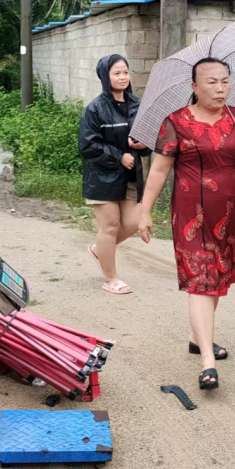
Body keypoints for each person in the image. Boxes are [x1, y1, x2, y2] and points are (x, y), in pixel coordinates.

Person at [138, 58, 235, 391]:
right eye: (211, 82)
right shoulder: (176, 122)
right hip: (191, 215)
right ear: (194, 86)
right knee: (201, 280)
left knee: (217, 277)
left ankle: (198, 339)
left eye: (225, 81)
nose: (220, 88)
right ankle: (208, 361)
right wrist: (144, 210)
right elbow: (159, 170)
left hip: (230, 214)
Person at [79, 55, 150, 295]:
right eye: (116, 73)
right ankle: (110, 278)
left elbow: (148, 141)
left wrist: (143, 146)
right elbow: (87, 146)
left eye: (125, 72)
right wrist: (119, 156)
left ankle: (99, 249)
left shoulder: (137, 105)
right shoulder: (95, 108)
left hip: (130, 175)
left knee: (133, 223)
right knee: (110, 226)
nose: (122, 77)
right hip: (102, 176)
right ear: (105, 76)